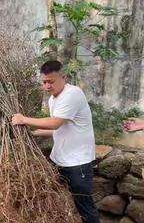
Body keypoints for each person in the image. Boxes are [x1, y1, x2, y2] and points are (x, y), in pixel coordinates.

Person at [11, 60, 100, 223]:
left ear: (63, 77)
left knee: (84, 207)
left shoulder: (73, 93)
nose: (47, 86)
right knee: (51, 199)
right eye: (44, 82)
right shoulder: (53, 100)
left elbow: (55, 122)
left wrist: (23, 119)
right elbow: (58, 128)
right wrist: (35, 133)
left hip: (77, 163)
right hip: (59, 160)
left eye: (51, 81)